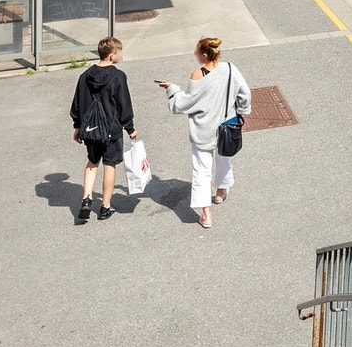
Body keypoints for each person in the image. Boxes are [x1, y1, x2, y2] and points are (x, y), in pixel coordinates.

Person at [157, 36, 250, 230]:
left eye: (197, 52)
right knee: (224, 160)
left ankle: (206, 215)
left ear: (205, 55)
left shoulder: (197, 75)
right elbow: (244, 93)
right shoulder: (230, 69)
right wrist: (241, 111)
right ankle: (221, 191)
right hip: (228, 126)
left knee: (201, 171)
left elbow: (184, 103)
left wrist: (172, 89)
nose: (195, 54)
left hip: (203, 131)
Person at [70, 36, 136, 222]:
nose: (120, 55)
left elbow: (77, 104)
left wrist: (77, 126)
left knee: (92, 162)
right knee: (109, 165)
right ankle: (105, 206)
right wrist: (130, 128)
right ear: (112, 55)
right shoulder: (118, 76)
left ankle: (86, 198)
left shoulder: (85, 76)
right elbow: (124, 105)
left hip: (90, 129)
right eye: (119, 52)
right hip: (111, 130)